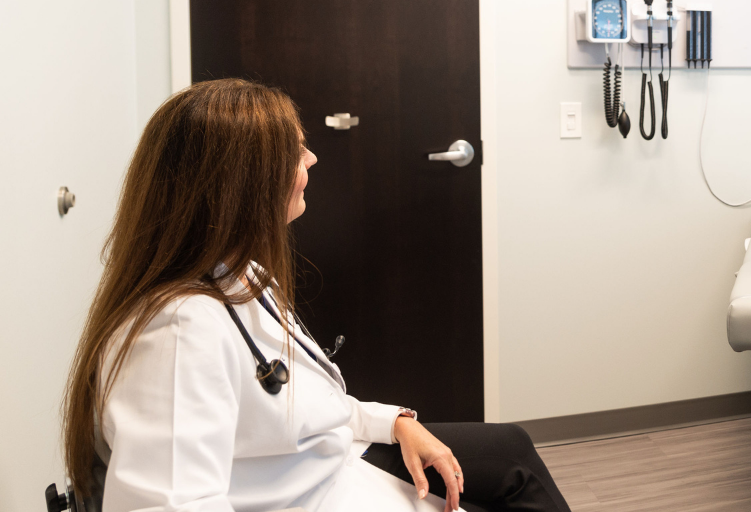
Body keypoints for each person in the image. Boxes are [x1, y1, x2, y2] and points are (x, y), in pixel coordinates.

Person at [62, 79, 572, 512]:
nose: (311, 157)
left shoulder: (237, 277)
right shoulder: (177, 334)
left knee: (510, 450)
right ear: (241, 184)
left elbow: (297, 402)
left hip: (334, 474)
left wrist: (391, 422)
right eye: (294, 151)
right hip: (325, 490)